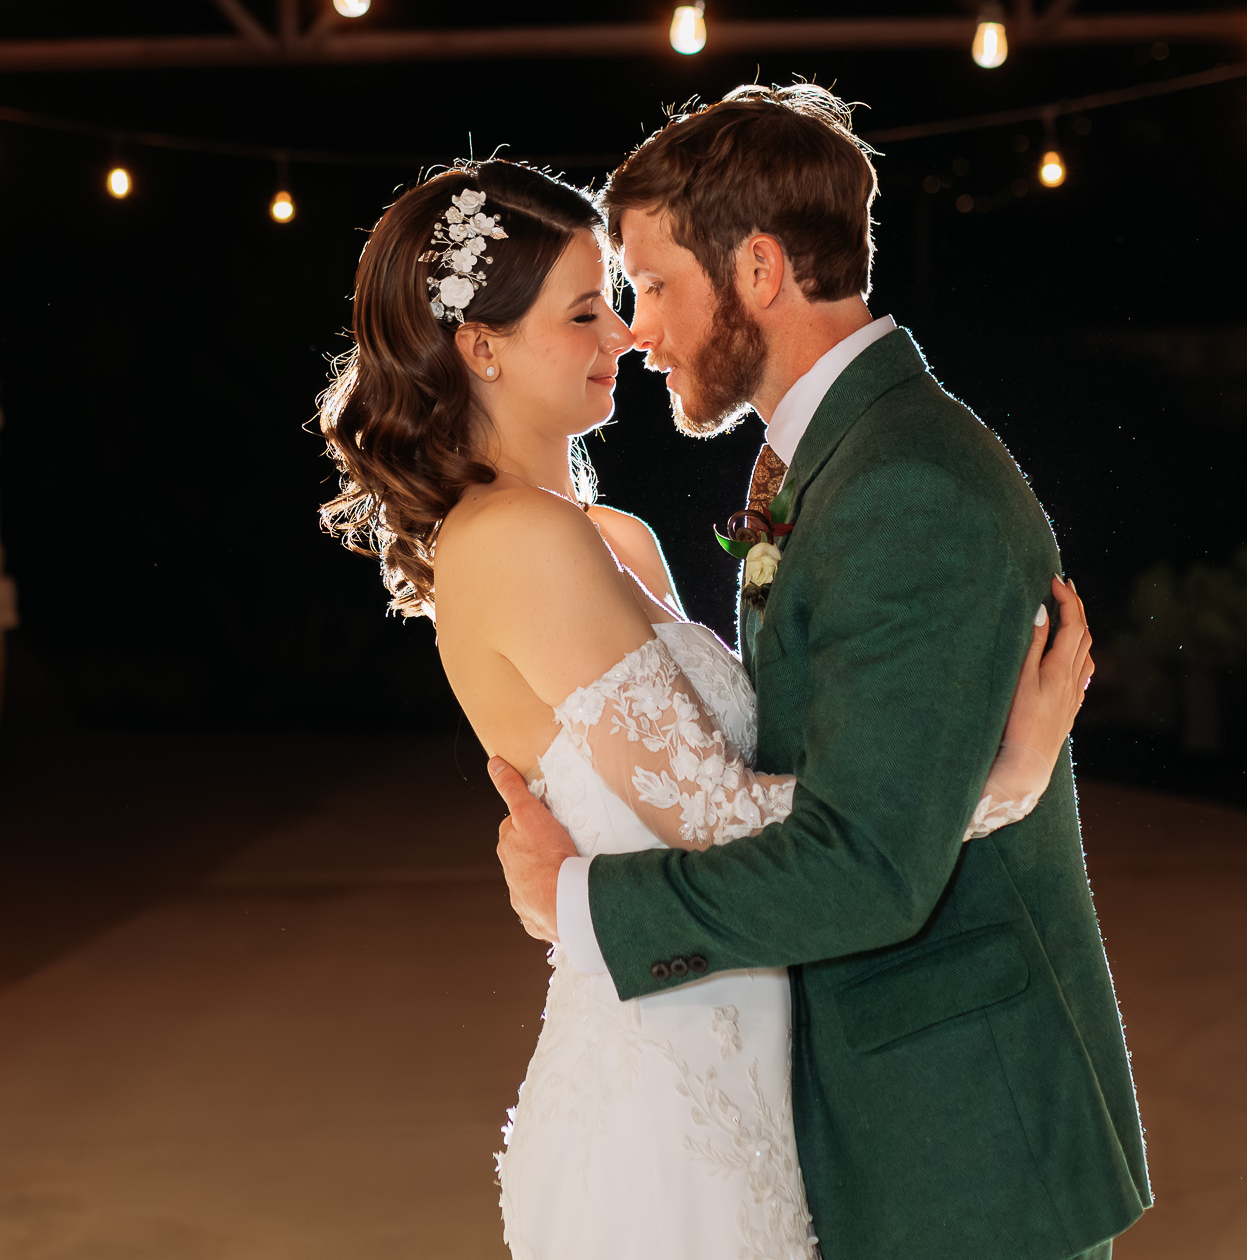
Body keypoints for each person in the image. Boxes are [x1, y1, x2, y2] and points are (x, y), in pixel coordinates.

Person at [318, 147, 1099, 1258]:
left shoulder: (617, 538)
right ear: (481, 346)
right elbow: (723, 816)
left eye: (627, 294)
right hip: (661, 1099)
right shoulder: (509, 541)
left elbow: (767, 764)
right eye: (585, 311)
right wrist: (999, 783)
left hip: (751, 1067)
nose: (622, 333)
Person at [491, 86, 1151, 1260]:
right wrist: (996, 779)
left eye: (655, 285)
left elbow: (869, 862)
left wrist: (579, 903)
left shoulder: (906, 485)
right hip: (896, 1116)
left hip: (963, 1146)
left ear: (757, 268)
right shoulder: (841, 456)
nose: (641, 331)